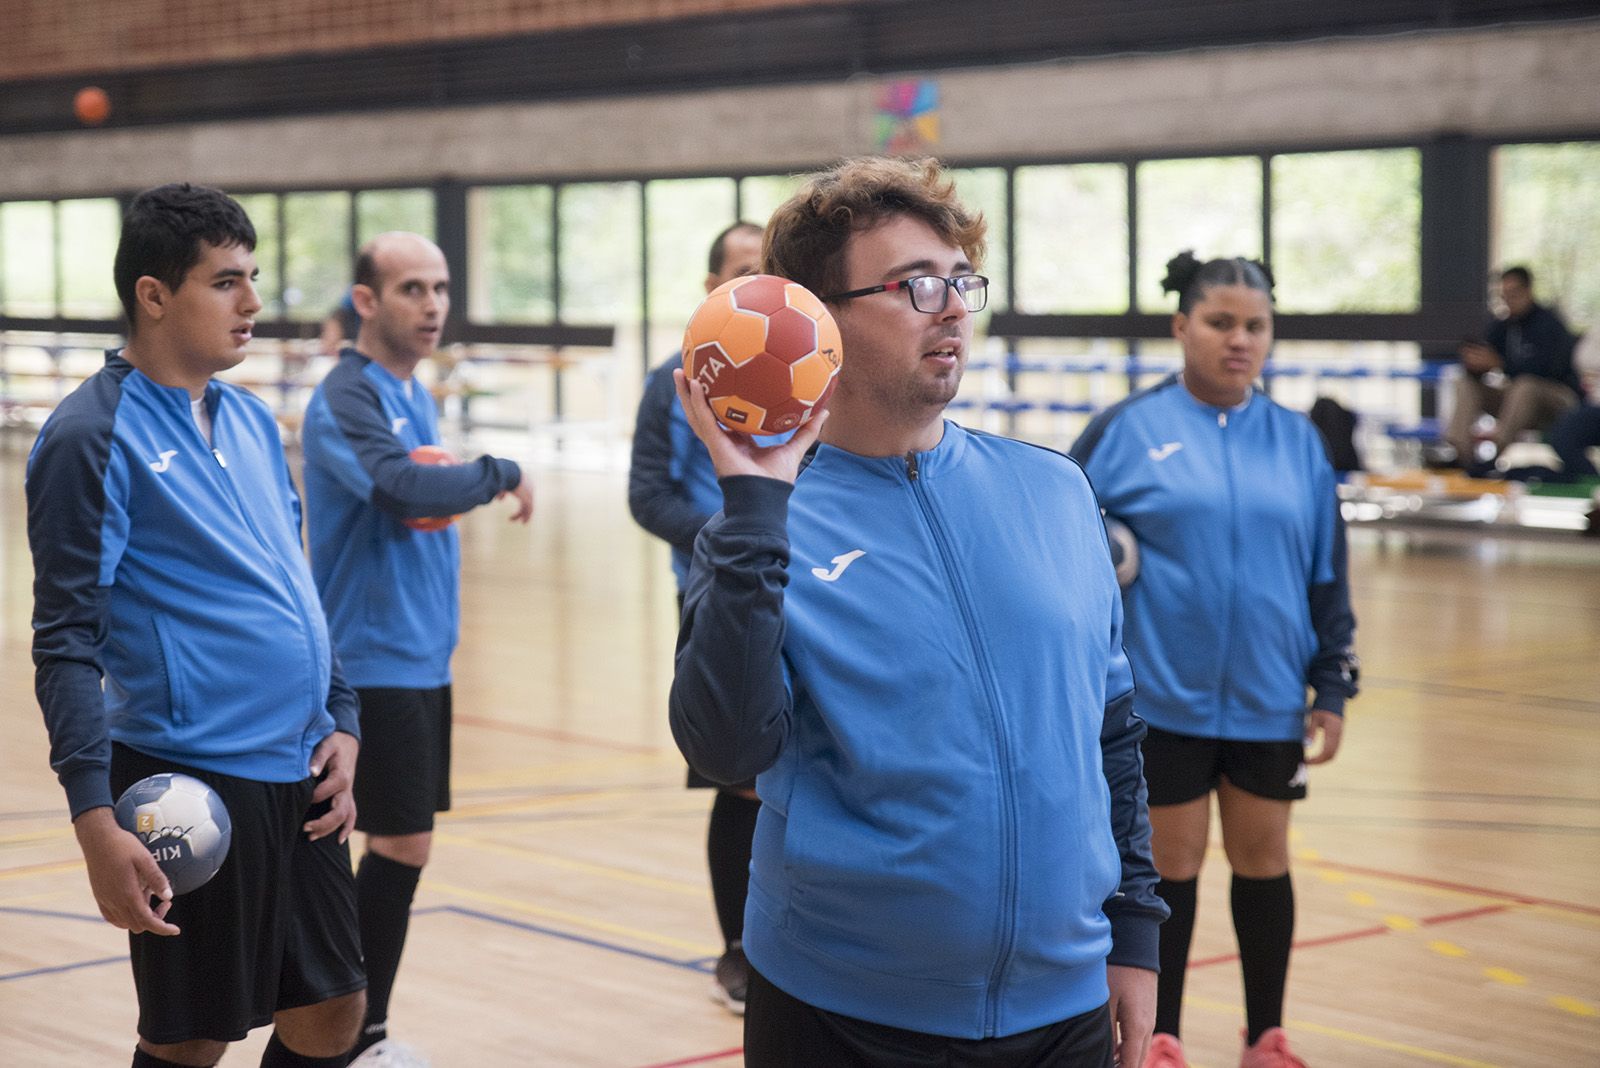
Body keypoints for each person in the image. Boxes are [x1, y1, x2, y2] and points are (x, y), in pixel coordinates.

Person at [669, 156, 1167, 1068]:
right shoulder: (762, 529)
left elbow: (1111, 734)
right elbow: (726, 751)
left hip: (1065, 1009)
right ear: (819, 317)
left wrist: (1134, 929)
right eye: (916, 286)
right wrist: (752, 513)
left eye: (960, 282)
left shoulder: (1055, 490)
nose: (952, 308)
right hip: (842, 1014)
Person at [26, 182, 366, 1068]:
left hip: (301, 772)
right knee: (195, 1039)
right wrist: (94, 821)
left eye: (251, 278)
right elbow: (65, 640)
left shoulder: (251, 419)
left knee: (334, 1009)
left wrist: (342, 718)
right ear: (154, 294)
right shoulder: (89, 439)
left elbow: (297, 591)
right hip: (193, 783)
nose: (253, 303)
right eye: (225, 282)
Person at [1071, 252, 1359, 1068]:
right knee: (1172, 869)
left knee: (1266, 861)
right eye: (1221, 323)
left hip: (1270, 697)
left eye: (1256, 326)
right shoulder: (1127, 430)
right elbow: (1064, 535)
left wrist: (1331, 681)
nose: (1240, 340)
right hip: (1161, 698)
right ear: (1181, 327)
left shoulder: (1298, 442)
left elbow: (1326, 570)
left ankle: (1264, 1034)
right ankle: (1161, 1036)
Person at [299, 232, 534, 1063]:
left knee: (403, 845)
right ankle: (350, 1036)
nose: (432, 304)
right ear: (366, 302)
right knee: (393, 846)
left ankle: (357, 1030)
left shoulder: (410, 393)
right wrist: (497, 470)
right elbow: (402, 489)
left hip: (422, 659)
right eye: (411, 289)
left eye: (438, 288)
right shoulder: (347, 396)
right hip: (370, 665)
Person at [627, 220, 769, 1015]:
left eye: (767, 269)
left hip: (802, 593)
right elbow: (648, 495)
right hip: (713, 598)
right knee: (739, 781)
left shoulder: (813, 375)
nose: (753, 283)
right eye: (739, 270)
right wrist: (738, 534)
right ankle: (739, 952)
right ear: (712, 288)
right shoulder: (669, 384)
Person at [1446, 266, 1579, 468]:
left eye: (1514, 293)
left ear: (1528, 290)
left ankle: (1496, 454)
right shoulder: (1502, 326)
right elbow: (1487, 360)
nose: (1509, 300)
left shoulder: (1549, 324)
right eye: (1504, 295)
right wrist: (1475, 363)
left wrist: (1500, 364)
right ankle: (1461, 454)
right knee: (1463, 381)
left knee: (1525, 385)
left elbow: (1548, 369)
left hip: (1556, 400)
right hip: (1517, 402)